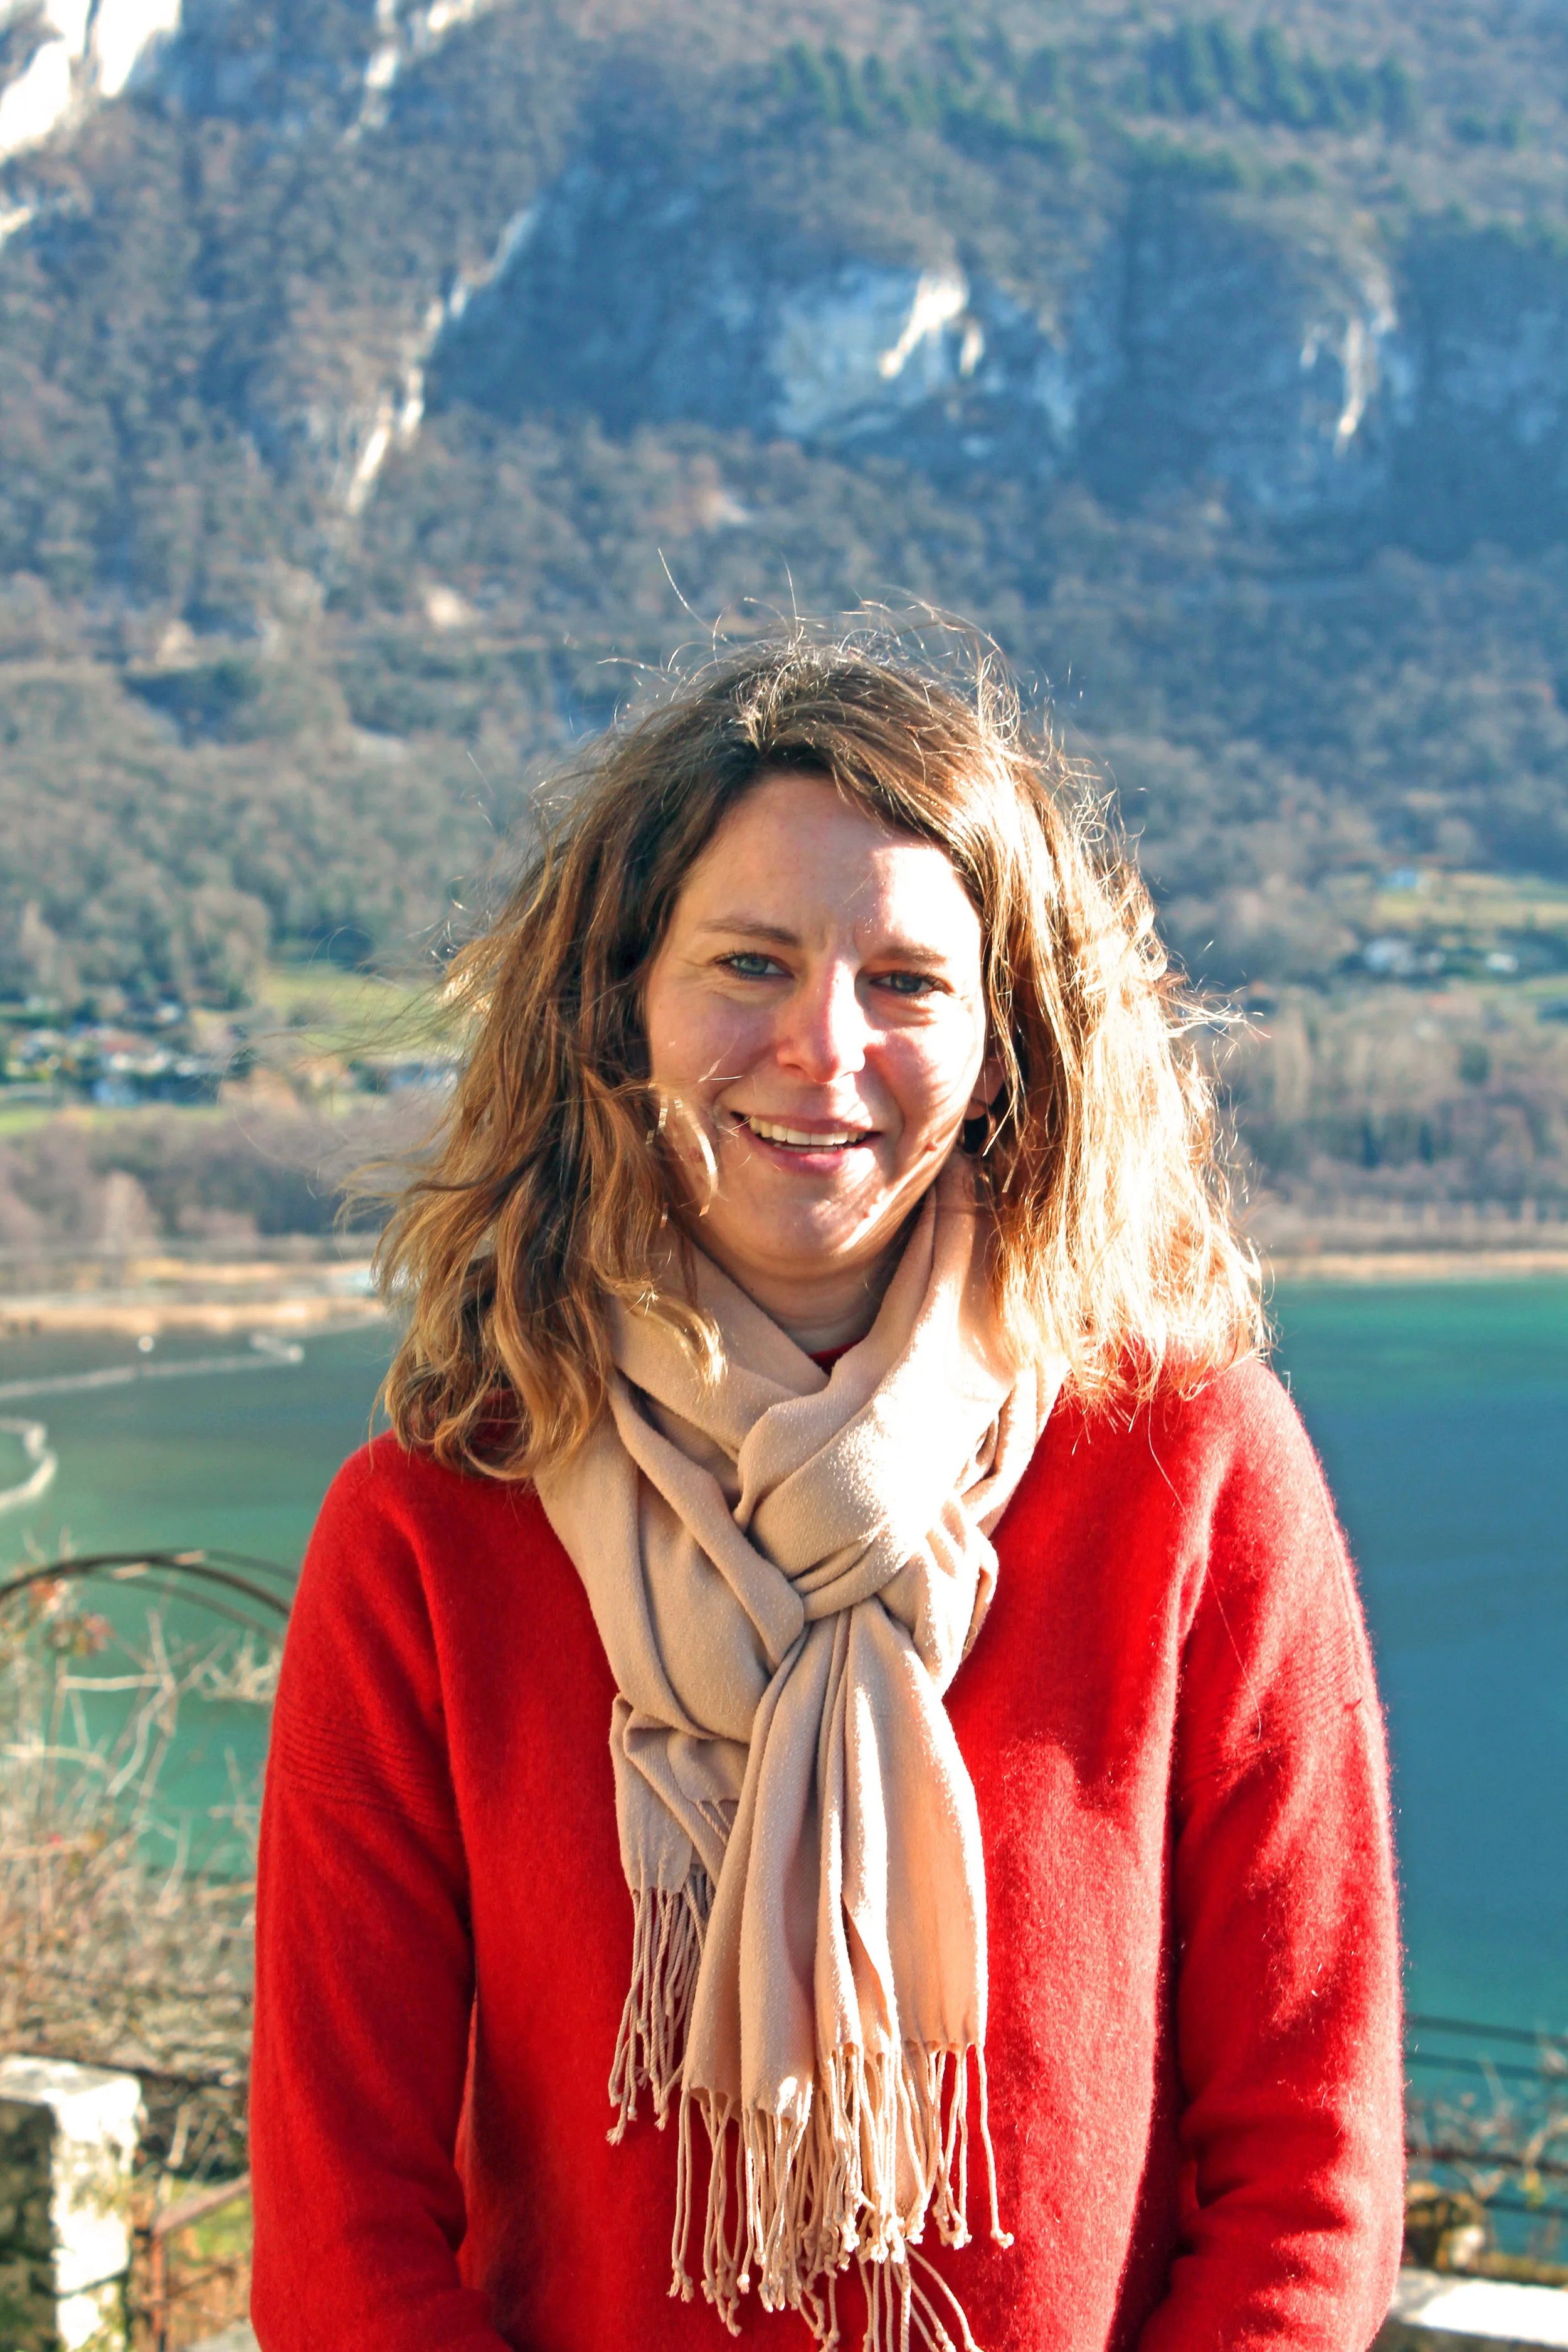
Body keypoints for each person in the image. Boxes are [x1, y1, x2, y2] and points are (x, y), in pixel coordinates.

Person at [249, 637, 1404, 2352]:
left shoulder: (1189, 1469)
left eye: (909, 981)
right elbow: (341, 2223)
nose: (824, 1044)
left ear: (1008, 1042)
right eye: (749, 961)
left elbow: (1309, 2174)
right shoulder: (430, 1529)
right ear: (617, 1008)